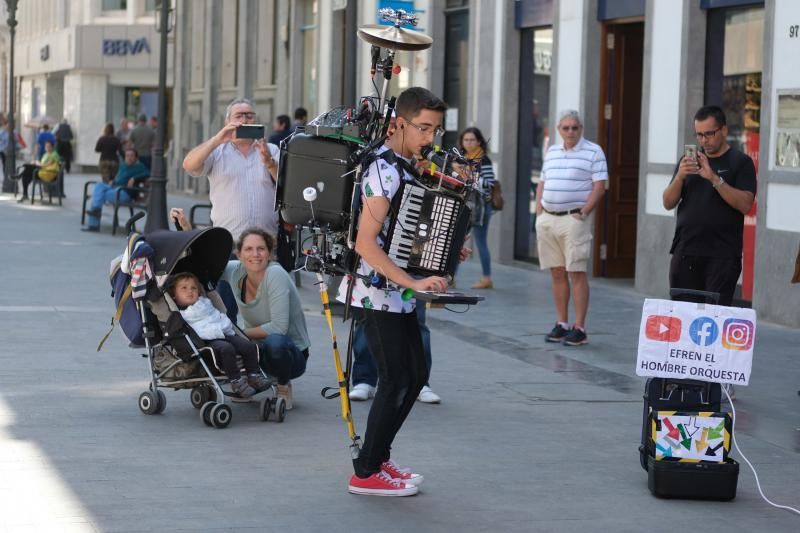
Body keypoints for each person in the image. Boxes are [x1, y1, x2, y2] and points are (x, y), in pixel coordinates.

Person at [337, 86, 453, 497]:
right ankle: (366, 472)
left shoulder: (405, 166)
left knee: (415, 375)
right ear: (399, 123)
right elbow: (365, 242)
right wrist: (413, 282)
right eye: (423, 128)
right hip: (374, 291)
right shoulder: (383, 169)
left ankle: (379, 457)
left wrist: (435, 263)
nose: (430, 138)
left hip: (395, 290)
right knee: (395, 378)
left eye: (435, 130)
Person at [182, 98, 282, 321]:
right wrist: (217, 140)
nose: (245, 119)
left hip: (264, 247)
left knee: (265, 313)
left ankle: (260, 354)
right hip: (228, 245)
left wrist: (269, 164)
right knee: (226, 311)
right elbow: (189, 165)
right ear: (228, 121)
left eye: (249, 115)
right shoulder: (218, 152)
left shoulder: (272, 150)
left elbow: (287, 187)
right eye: (239, 116)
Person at [662, 105, 757, 307]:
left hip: (722, 255)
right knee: (683, 314)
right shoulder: (687, 162)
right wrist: (680, 176)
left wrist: (714, 178)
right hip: (686, 250)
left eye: (709, 134)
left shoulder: (740, 162)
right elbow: (668, 203)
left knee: (714, 317)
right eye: (699, 135)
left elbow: (745, 205)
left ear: (723, 131)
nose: (704, 140)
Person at [535, 109, 608, 346]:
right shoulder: (553, 151)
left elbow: (599, 186)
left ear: (581, 129)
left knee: (576, 272)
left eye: (574, 127)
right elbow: (542, 182)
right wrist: (539, 211)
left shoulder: (594, 151)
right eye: (565, 128)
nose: (570, 132)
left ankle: (580, 327)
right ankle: (562, 323)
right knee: (556, 272)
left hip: (573, 219)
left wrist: (584, 212)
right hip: (548, 218)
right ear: (559, 130)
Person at [168, 272, 270, 398]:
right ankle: (236, 381)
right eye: (184, 288)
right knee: (226, 348)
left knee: (248, 345)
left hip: (222, 332)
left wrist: (224, 325)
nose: (190, 291)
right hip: (206, 339)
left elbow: (216, 315)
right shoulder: (180, 314)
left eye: (193, 288)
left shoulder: (205, 303)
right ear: (174, 295)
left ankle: (254, 375)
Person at [458, 127, 497, 289]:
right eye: (466, 140)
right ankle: (449, 276)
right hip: (465, 204)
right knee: (457, 241)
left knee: (480, 242)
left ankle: (487, 278)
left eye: (472, 140)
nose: (469, 143)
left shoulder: (484, 160)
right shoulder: (461, 158)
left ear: (479, 141)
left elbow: (490, 183)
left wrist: (472, 178)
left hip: (481, 207)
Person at [83, 148, 150, 231]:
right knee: (99, 185)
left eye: (131, 156)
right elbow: (119, 178)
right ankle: (96, 211)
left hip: (124, 192)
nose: (129, 158)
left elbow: (148, 173)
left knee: (98, 196)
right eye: (127, 156)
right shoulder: (123, 166)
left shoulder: (139, 167)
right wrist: (113, 181)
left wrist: (134, 178)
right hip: (114, 188)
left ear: (136, 158)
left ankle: (93, 225)